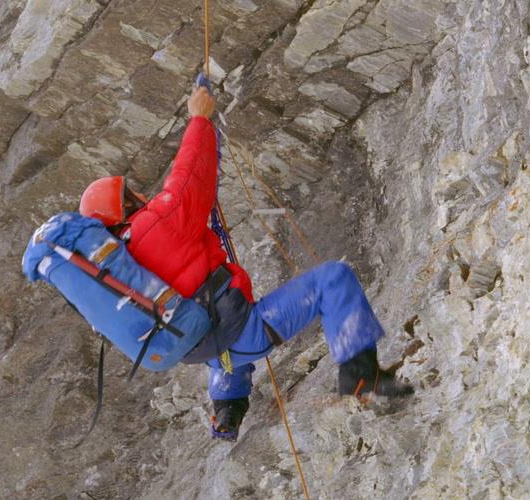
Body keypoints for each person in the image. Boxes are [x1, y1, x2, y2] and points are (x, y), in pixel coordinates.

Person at [78, 87, 413, 441]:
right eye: (131, 195)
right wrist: (199, 119)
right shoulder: (154, 225)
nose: (141, 196)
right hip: (238, 332)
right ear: (126, 205)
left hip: (195, 344)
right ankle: (361, 373)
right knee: (333, 279)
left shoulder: (118, 265)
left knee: (216, 333)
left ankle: (227, 411)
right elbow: (190, 177)